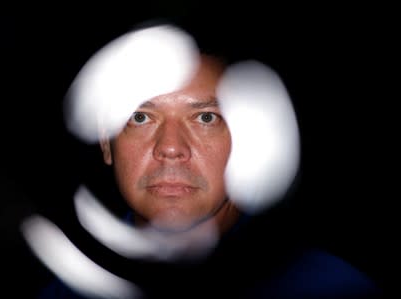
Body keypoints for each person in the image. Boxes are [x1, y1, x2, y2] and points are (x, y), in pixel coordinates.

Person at [36, 24, 383, 299]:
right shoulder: (66, 292)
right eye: (141, 117)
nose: (170, 148)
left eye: (205, 118)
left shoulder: (331, 289)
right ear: (106, 143)